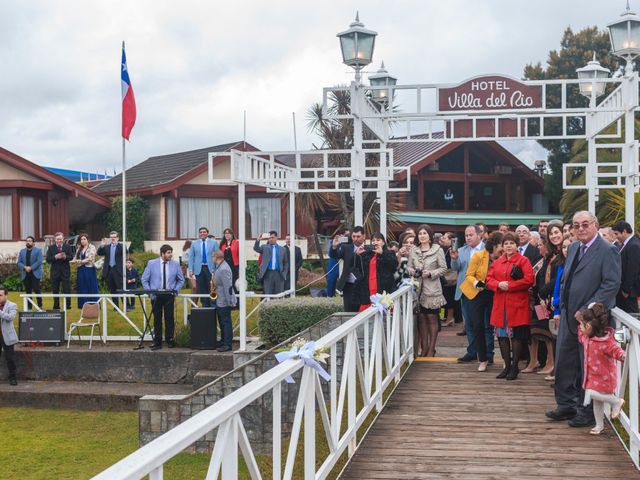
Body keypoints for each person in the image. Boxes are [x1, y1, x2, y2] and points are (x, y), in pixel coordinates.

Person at [546, 211, 621, 428]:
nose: (580, 228)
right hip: (569, 317)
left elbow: (611, 284)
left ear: (596, 225)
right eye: (576, 225)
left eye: (585, 224)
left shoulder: (608, 250)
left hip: (590, 322)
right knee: (564, 363)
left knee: (588, 367)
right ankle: (565, 405)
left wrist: (587, 310)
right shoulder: (574, 248)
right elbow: (567, 280)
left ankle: (586, 411)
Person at [486, 232, 535, 380]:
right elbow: (488, 279)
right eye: (506, 243)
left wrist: (511, 286)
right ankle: (506, 366)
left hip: (517, 303)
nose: (508, 246)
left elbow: (529, 280)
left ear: (516, 245)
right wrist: (498, 284)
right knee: (501, 336)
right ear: (502, 246)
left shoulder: (523, 260)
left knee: (517, 337)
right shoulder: (497, 262)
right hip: (501, 304)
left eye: (511, 243)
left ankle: (514, 367)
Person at [576, 302, 626, 435]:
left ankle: (617, 401)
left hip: (605, 377)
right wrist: (589, 309)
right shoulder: (587, 338)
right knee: (597, 402)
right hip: (592, 376)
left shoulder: (606, 342)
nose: (580, 328)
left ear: (588, 326)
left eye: (582, 325)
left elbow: (616, 351)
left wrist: (623, 355)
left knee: (591, 393)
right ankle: (599, 425)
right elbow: (580, 333)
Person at [524, 220, 564, 375]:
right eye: (551, 233)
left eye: (556, 232)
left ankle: (551, 363)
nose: (554, 236)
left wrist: (544, 293)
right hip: (542, 300)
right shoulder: (548, 258)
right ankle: (536, 362)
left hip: (552, 300)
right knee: (537, 330)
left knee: (548, 333)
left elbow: (558, 278)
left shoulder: (561, 255)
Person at [461, 231, 503, 371]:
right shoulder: (479, 255)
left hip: (494, 293)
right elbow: (469, 275)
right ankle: (482, 359)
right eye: (501, 246)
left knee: (493, 325)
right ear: (495, 245)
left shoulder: (503, 258)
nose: (504, 249)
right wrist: (476, 283)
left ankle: (493, 355)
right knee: (477, 325)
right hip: (477, 293)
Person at [408, 225, 447, 357]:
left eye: (424, 233)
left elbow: (443, 268)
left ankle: (431, 349)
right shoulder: (414, 250)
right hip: (417, 290)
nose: (422, 236)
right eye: (420, 234)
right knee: (421, 319)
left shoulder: (438, 250)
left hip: (432, 290)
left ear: (430, 236)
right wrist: (412, 271)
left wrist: (430, 273)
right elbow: (408, 266)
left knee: (432, 318)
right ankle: (424, 348)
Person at [451, 225, 485, 362]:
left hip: (482, 291)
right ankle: (472, 351)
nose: (468, 237)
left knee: (483, 324)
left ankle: (486, 353)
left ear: (479, 235)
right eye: (466, 235)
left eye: (471, 235)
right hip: (465, 291)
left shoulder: (486, 250)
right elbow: (456, 268)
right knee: (469, 324)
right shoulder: (461, 250)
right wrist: (454, 259)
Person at [141, 244, 184, 350]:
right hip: (156, 295)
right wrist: (150, 293)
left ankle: (170, 340)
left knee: (169, 318)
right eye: (168, 252)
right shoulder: (151, 263)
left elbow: (181, 279)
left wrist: (176, 290)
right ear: (162, 254)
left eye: (171, 252)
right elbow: (144, 279)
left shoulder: (175, 264)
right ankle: (158, 341)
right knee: (157, 319)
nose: (171, 254)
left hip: (169, 295)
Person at [353, 233, 398, 312]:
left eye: (378, 240)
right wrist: (358, 255)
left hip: (383, 288)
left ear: (383, 242)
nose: (375, 242)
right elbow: (357, 268)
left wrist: (382, 253)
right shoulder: (367, 254)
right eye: (373, 240)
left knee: (385, 315)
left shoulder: (389, 253)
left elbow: (394, 266)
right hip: (368, 289)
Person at [329, 226, 366, 312]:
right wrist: (334, 247)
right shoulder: (346, 248)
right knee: (348, 312)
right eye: (354, 236)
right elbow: (334, 256)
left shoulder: (368, 249)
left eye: (358, 236)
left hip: (363, 286)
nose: (355, 239)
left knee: (362, 312)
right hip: (348, 286)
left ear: (364, 236)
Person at [611, 220, 640, 313]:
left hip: (629, 292)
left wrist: (626, 290)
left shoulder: (634, 245)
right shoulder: (629, 243)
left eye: (616, 234)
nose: (615, 237)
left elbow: (633, 270)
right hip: (624, 291)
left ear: (624, 231)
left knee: (631, 316)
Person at [188, 227, 220, 308]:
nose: (202, 233)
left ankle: (213, 306)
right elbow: (191, 257)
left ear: (207, 233)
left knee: (211, 288)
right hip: (199, 269)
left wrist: (216, 268)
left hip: (211, 269)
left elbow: (218, 255)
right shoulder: (194, 243)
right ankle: (205, 306)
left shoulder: (213, 243)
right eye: (201, 232)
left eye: (204, 232)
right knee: (202, 288)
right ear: (199, 234)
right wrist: (190, 269)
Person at [212, 251, 236, 352]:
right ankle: (223, 341)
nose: (212, 259)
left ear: (216, 257)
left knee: (226, 322)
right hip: (220, 299)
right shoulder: (220, 267)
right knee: (222, 322)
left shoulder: (223, 269)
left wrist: (230, 301)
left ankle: (227, 344)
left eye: (212, 257)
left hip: (224, 300)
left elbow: (228, 287)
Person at [253, 231, 288, 295]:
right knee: (268, 293)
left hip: (279, 274)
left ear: (276, 238)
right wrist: (258, 240)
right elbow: (256, 248)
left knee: (279, 294)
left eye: (272, 237)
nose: (271, 239)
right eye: (269, 238)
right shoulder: (264, 247)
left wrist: (284, 273)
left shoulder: (283, 249)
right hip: (268, 274)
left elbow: (286, 262)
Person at [97, 231, 125, 308]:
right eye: (111, 237)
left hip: (117, 270)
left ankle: (126, 305)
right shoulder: (107, 247)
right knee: (112, 289)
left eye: (114, 237)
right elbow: (99, 253)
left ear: (117, 238)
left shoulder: (121, 246)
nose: (113, 238)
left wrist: (117, 243)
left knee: (120, 288)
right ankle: (116, 306)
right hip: (109, 270)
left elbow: (125, 251)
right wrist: (102, 245)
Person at [46, 232, 73, 310]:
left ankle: (68, 305)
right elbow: (48, 260)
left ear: (63, 239)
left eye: (60, 239)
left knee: (66, 288)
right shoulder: (51, 248)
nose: (59, 240)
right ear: (55, 239)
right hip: (55, 272)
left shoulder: (67, 247)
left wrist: (65, 256)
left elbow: (71, 257)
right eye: (57, 239)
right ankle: (56, 305)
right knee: (55, 289)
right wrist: (55, 257)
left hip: (65, 271)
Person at [438, 232, 459, 327]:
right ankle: (446, 317)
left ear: (451, 240)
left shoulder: (453, 250)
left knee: (450, 299)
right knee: (446, 298)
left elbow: (450, 264)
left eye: (445, 238)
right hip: (446, 279)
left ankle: (450, 318)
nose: (443, 239)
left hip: (451, 279)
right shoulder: (443, 249)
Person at [17, 236, 43, 310]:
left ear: (33, 243)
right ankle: (29, 307)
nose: (28, 242)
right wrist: (25, 267)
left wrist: (31, 268)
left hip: (35, 273)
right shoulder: (22, 251)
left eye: (30, 241)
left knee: (36, 289)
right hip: (25, 273)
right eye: (27, 241)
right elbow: (19, 262)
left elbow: (39, 261)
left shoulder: (38, 251)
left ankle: (40, 305)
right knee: (28, 291)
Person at [74, 234, 99, 309]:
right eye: (81, 239)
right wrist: (71, 261)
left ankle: (93, 304)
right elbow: (75, 258)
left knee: (90, 286)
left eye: (84, 239)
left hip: (89, 269)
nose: (82, 241)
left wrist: (80, 261)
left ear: (88, 239)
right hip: (81, 269)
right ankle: (82, 304)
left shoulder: (92, 247)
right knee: (82, 286)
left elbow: (90, 258)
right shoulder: (79, 249)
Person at [0, 286, 18, 385]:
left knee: (10, 358)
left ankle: (13, 377)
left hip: (6, 335)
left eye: (0, 295)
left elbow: (10, 317)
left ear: (6, 295)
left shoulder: (12, 305)